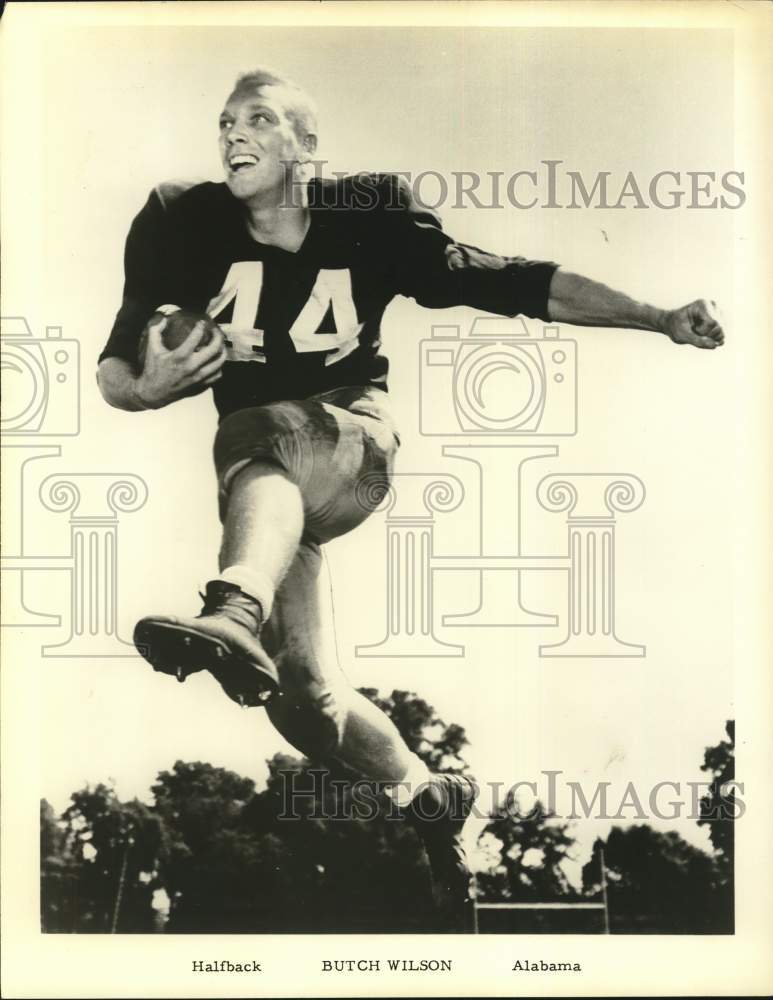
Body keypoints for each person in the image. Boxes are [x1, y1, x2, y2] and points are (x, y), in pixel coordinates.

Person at [96, 67, 725, 926]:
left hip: (352, 445)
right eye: (223, 122)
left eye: (259, 119)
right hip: (266, 496)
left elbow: (517, 281)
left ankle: (233, 606)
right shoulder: (181, 216)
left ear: (307, 146)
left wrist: (655, 316)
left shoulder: (370, 215)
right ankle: (423, 794)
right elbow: (116, 370)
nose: (232, 135)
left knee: (261, 431)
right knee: (302, 697)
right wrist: (148, 386)